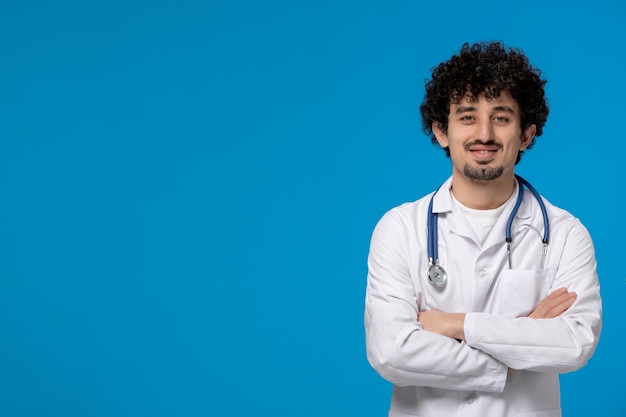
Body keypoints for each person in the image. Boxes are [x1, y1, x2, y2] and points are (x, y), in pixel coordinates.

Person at [364, 41, 602, 417]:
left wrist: (453, 324)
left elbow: (574, 343)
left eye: (502, 117)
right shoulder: (399, 229)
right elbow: (391, 351)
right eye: (468, 116)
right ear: (442, 131)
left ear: (525, 135)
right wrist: (513, 352)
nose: (485, 134)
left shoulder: (565, 233)